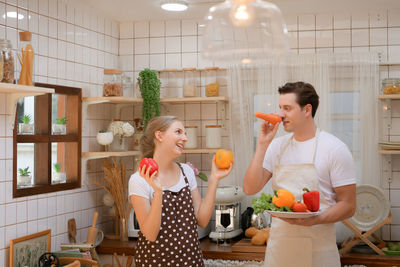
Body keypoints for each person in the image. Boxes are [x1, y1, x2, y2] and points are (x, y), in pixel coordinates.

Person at [243, 82, 356, 267]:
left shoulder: (334, 149)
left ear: (307, 110)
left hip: (319, 251)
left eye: (287, 108)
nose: (280, 114)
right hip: (280, 249)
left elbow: (349, 205)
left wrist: (314, 220)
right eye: (280, 108)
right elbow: (250, 188)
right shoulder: (277, 146)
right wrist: (262, 144)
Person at [129, 116, 233, 267]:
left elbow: (202, 220)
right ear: (159, 136)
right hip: (155, 262)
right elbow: (150, 234)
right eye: (178, 132)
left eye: (185, 134)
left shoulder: (186, 172)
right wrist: (158, 192)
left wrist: (214, 179)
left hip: (191, 261)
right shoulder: (139, 179)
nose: (184, 138)